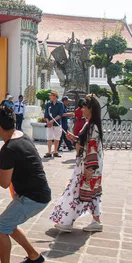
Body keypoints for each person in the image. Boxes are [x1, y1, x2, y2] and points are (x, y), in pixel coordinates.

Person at [0, 104, 51, 263]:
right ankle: (34, 256)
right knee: (9, 224)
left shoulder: (8, 147)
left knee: (0, 226)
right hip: (39, 193)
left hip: (32, 197)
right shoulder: (21, 136)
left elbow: (4, 182)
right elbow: (16, 160)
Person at [50, 94, 104, 232]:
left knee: (76, 191)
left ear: (91, 109)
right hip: (88, 163)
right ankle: (95, 221)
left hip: (88, 164)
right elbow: (85, 143)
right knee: (91, 192)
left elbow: (92, 147)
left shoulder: (93, 127)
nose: (82, 110)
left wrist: (89, 168)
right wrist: (74, 138)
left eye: (84, 107)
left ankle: (67, 221)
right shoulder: (89, 124)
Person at [43, 90, 63, 158]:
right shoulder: (48, 104)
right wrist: (48, 121)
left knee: (57, 138)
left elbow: (60, 114)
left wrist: (52, 121)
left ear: (54, 96)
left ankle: (55, 151)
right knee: (49, 137)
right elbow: (46, 114)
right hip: (50, 124)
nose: (50, 96)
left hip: (57, 123)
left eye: (51, 95)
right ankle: (49, 152)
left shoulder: (60, 104)